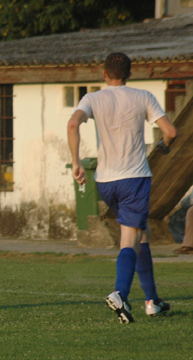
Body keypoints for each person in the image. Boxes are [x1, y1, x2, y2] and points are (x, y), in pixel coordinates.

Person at [67, 52, 177, 323]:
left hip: (105, 181)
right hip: (134, 179)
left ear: (104, 74)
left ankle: (153, 301)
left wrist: (76, 164)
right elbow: (171, 131)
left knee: (141, 232)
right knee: (130, 238)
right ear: (130, 73)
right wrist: (165, 144)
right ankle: (121, 294)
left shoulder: (92, 98)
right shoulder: (143, 96)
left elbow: (72, 124)